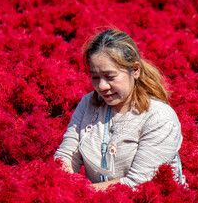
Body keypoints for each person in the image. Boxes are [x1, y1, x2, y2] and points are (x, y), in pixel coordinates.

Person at [54, 29, 184, 190]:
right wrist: (63, 185)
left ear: (135, 70)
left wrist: (82, 192)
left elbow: (139, 184)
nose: (101, 86)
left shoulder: (158, 116)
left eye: (110, 77)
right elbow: (65, 157)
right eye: (95, 77)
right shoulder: (88, 104)